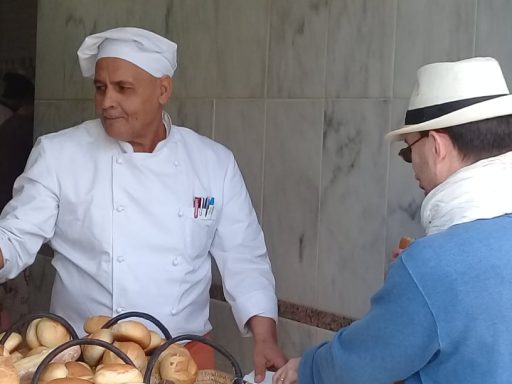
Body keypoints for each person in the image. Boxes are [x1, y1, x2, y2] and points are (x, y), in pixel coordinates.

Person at [0, 27, 286, 380]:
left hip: (183, 358)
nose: (107, 101)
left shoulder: (213, 163)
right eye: (100, 87)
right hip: (83, 360)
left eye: (123, 88)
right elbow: (14, 236)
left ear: (163, 90)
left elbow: (244, 257)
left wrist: (265, 336)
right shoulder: (59, 154)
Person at [273, 57, 512, 384]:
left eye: (408, 150)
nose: (411, 165)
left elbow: (360, 366)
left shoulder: (433, 265)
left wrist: (308, 368)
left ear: (437, 146)